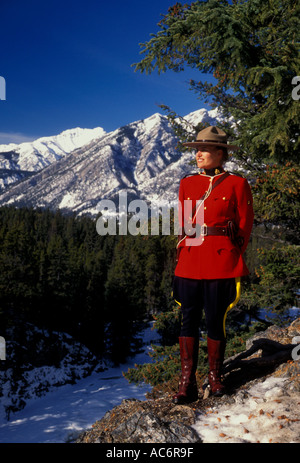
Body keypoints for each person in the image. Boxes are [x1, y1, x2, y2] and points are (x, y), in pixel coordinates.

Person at [172, 125, 254, 404]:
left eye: (204, 150)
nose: (198, 154)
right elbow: (183, 224)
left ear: (220, 153)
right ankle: (187, 383)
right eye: (197, 150)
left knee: (216, 319)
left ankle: (215, 378)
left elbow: (245, 225)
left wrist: (230, 251)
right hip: (190, 261)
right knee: (188, 320)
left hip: (221, 261)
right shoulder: (187, 183)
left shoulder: (237, 184)